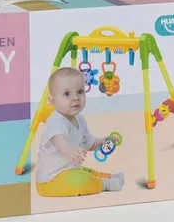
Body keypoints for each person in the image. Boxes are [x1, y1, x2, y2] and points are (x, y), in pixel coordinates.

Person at [36, 66, 124, 197]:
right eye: (67, 94)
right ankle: (106, 184)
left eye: (80, 91)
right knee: (81, 180)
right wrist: (69, 150)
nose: (76, 98)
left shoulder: (80, 119)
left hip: (69, 171)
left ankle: (109, 177)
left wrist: (106, 141)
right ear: (52, 101)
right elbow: (59, 139)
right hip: (51, 180)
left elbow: (90, 143)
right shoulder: (55, 120)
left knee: (86, 172)